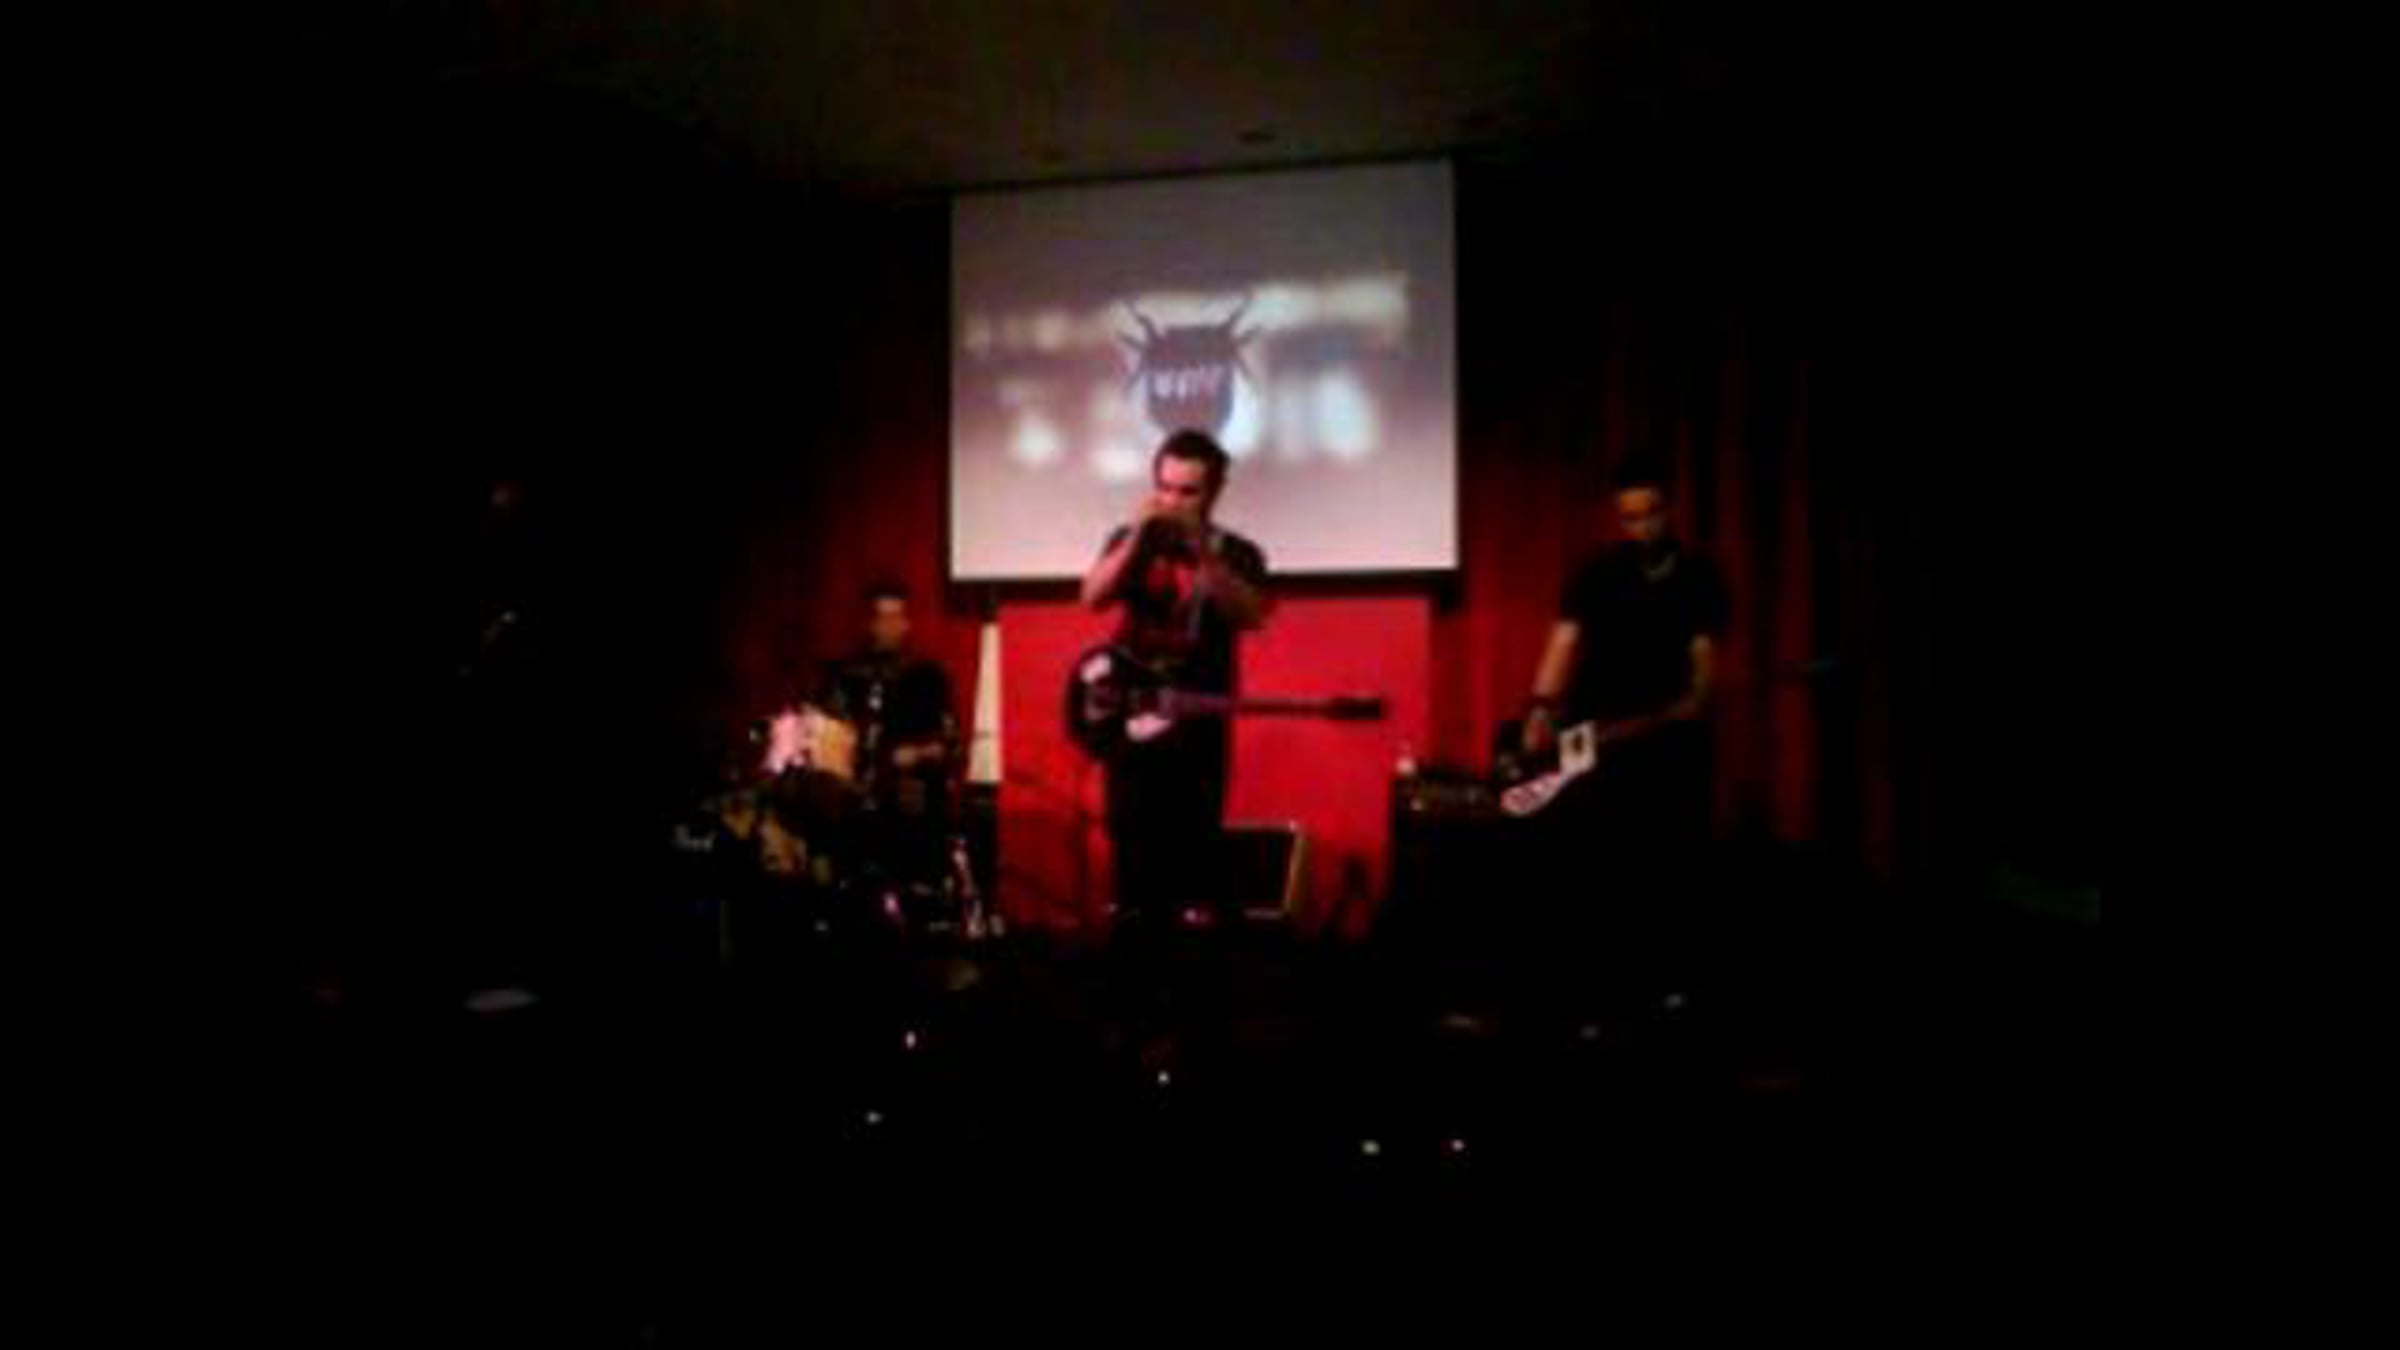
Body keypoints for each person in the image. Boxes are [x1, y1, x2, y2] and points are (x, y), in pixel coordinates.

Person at [1522, 466, 1729, 989]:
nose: (1641, 527)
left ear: (1668, 509)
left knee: (1663, 863)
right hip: (1591, 731)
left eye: (1650, 514)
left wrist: (1697, 698)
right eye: (1630, 517)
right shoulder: (1596, 573)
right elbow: (1564, 641)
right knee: (1589, 859)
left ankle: (1664, 984)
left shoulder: (1699, 576)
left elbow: (1704, 659)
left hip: (1667, 740)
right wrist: (1541, 709)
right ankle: (1590, 982)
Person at [1080, 429, 1270, 934]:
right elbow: (1091, 596)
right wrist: (1137, 538)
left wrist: (1201, 549)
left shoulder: (1237, 551)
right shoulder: (1131, 540)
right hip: (1134, 724)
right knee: (1131, 855)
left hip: (1197, 726)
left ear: (1214, 493)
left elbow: (1251, 614)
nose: (1173, 501)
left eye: (1188, 492)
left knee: (1194, 854)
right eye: (1164, 488)